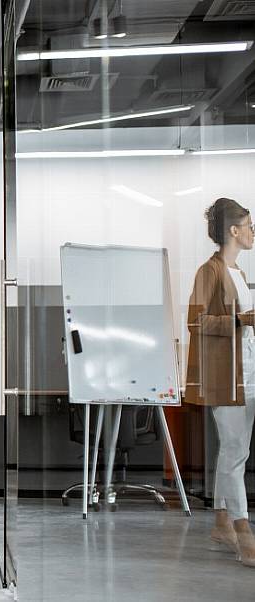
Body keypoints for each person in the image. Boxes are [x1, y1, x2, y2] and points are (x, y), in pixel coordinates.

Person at [186, 198, 255, 568]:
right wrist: (243, 321)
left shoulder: (240, 274)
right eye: (249, 225)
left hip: (247, 375)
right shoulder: (208, 271)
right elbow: (195, 323)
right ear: (233, 230)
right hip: (224, 379)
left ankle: (221, 523)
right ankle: (244, 532)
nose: (252, 232)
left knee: (236, 452)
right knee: (232, 451)